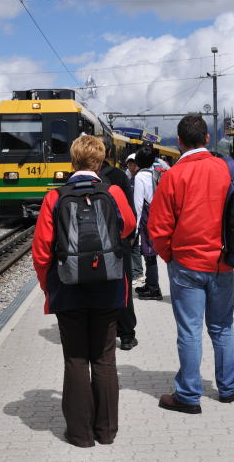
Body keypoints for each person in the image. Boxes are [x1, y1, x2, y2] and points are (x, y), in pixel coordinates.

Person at [31, 135, 135, 448]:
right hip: (107, 288)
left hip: (68, 290)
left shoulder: (55, 197)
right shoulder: (113, 192)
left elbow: (41, 252)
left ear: (73, 162)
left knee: (75, 358)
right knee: (104, 359)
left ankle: (80, 434)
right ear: (101, 161)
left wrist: (49, 285)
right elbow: (128, 227)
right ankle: (106, 432)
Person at [148, 114, 234, 414]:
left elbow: (158, 228)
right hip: (222, 263)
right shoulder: (228, 168)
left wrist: (171, 256)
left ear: (179, 142)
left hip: (186, 265)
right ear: (207, 138)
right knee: (222, 327)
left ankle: (188, 395)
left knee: (190, 330)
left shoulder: (172, 176)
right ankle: (229, 386)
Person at [99, 137, 138, 351]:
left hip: (85, 249)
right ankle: (126, 335)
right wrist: (129, 240)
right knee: (122, 289)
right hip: (116, 243)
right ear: (108, 153)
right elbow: (131, 214)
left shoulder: (73, 179)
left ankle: (100, 334)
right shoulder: (118, 177)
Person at [133, 145, 163, 301]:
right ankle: (151, 283)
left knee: (149, 253)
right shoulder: (157, 173)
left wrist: (135, 228)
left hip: (146, 218)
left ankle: (153, 289)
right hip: (157, 214)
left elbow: (138, 205)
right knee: (151, 252)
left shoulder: (139, 177)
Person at [124, 154, 144, 285]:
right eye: (129, 164)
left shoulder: (137, 179)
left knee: (133, 246)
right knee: (135, 247)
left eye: (133, 164)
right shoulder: (130, 178)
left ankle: (136, 273)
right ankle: (138, 273)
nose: (131, 166)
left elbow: (138, 203)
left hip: (137, 217)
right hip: (133, 216)